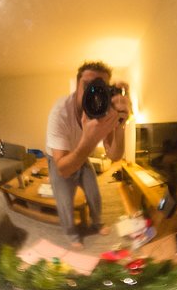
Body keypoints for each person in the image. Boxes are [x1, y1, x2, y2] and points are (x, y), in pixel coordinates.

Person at [45, 61, 129, 247]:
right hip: (60, 159)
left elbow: (114, 155)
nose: (94, 92)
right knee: (65, 200)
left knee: (94, 193)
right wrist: (90, 140)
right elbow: (63, 169)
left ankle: (96, 223)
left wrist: (121, 124)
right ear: (77, 85)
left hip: (82, 157)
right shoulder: (60, 112)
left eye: (100, 87)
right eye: (88, 85)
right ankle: (72, 235)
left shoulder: (104, 109)